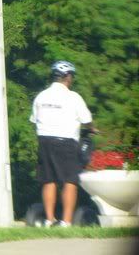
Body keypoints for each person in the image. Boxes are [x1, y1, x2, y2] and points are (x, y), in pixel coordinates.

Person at [30, 60, 95, 227]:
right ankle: (66, 222)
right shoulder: (73, 97)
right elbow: (87, 120)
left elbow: (34, 120)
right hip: (65, 142)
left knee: (48, 180)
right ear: (67, 77)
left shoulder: (41, 96)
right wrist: (92, 129)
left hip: (44, 141)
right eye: (71, 76)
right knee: (70, 180)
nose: (71, 79)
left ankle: (49, 220)